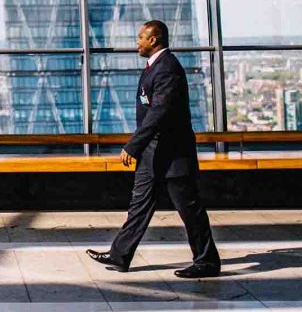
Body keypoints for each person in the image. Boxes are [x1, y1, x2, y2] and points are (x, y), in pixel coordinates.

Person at [87, 20, 221, 278]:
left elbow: (159, 112)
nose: (136, 42)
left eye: (140, 37)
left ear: (154, 39)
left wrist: (133, 145)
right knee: (139, 205)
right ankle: (119, 255)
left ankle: (207, 261)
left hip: (172, 155)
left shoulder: (167, 69)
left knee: (189, 209)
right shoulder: (154, 67)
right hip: (153, 153)